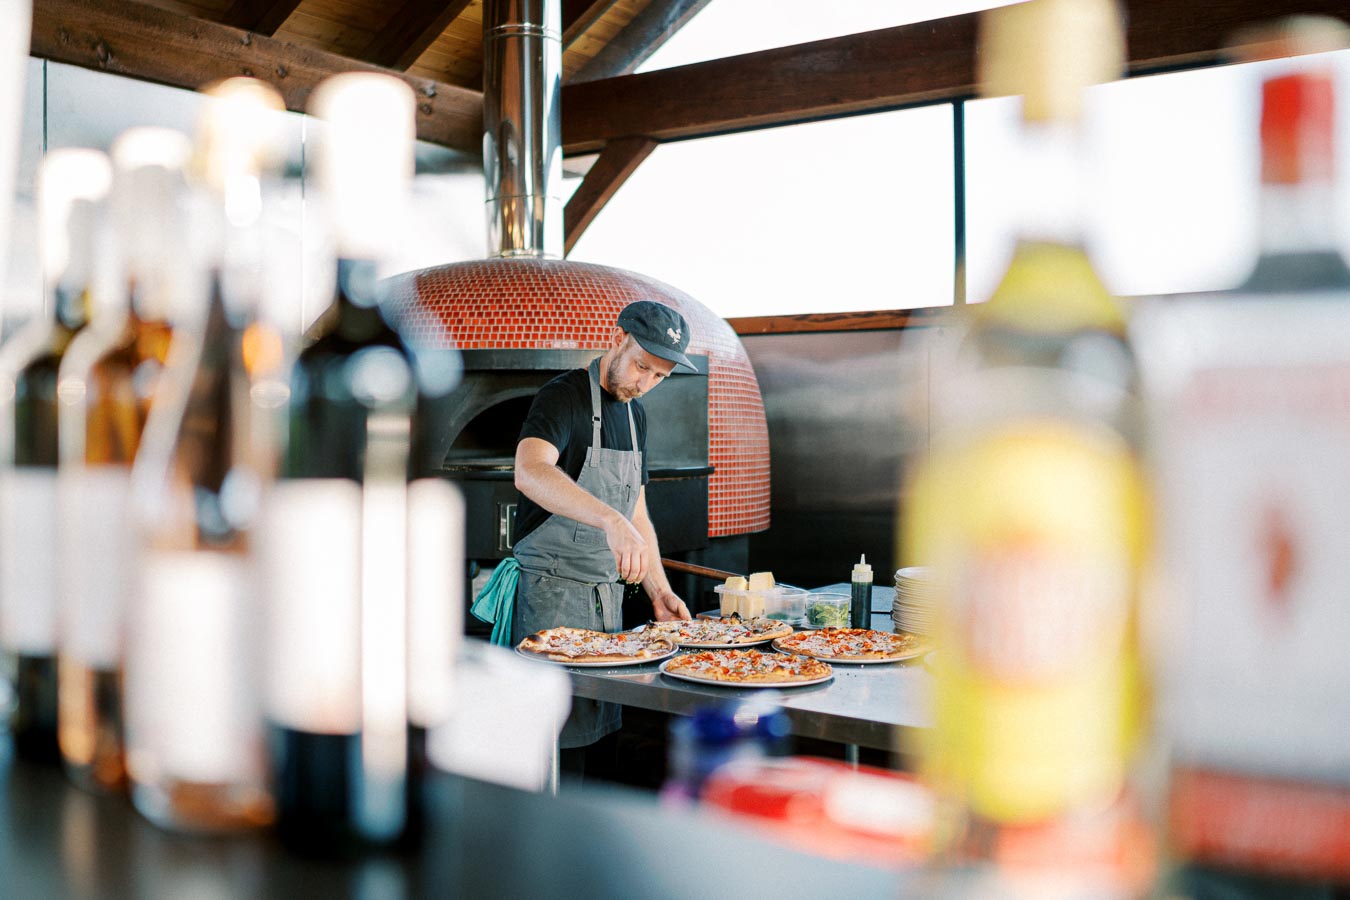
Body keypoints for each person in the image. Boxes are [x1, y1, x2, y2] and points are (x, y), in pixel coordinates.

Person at [511, 300, 695, 753]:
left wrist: (658, 591)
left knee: (599, 750)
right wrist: (607, 518)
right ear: (618, 338)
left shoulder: (636, 417)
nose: (645, 383)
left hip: (607, 611)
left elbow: (636, 515)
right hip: (551, 604)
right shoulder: (563, 396)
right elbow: (529, 470)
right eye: (641, 366)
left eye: (658, 376)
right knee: (552, 750)